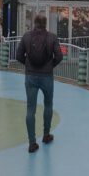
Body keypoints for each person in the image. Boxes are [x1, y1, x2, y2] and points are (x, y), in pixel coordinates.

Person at [16, 14, 63, 153]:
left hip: (30, 76)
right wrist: (50, 66)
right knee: (48, 104)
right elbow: (59, 57)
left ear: (34, 23)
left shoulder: (26, 36)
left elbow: (18, 56)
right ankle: (46, 135)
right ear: (45, 24)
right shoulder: (52, 37)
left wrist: (28, 65)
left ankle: (32, 143)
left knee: (30, 109)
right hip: (47, 76)